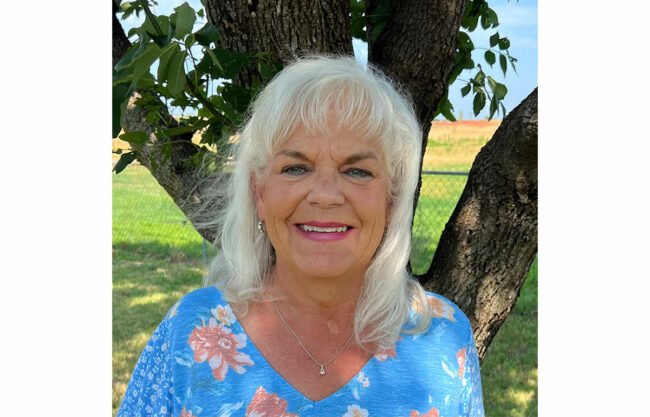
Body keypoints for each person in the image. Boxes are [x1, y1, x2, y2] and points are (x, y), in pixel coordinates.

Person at [117, 56, 484, 417]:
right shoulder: (190, 333)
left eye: (357, 171)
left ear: (391, 200)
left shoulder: (444, 338)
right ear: (259, 193)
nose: (325, 194)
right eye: (296, 168)